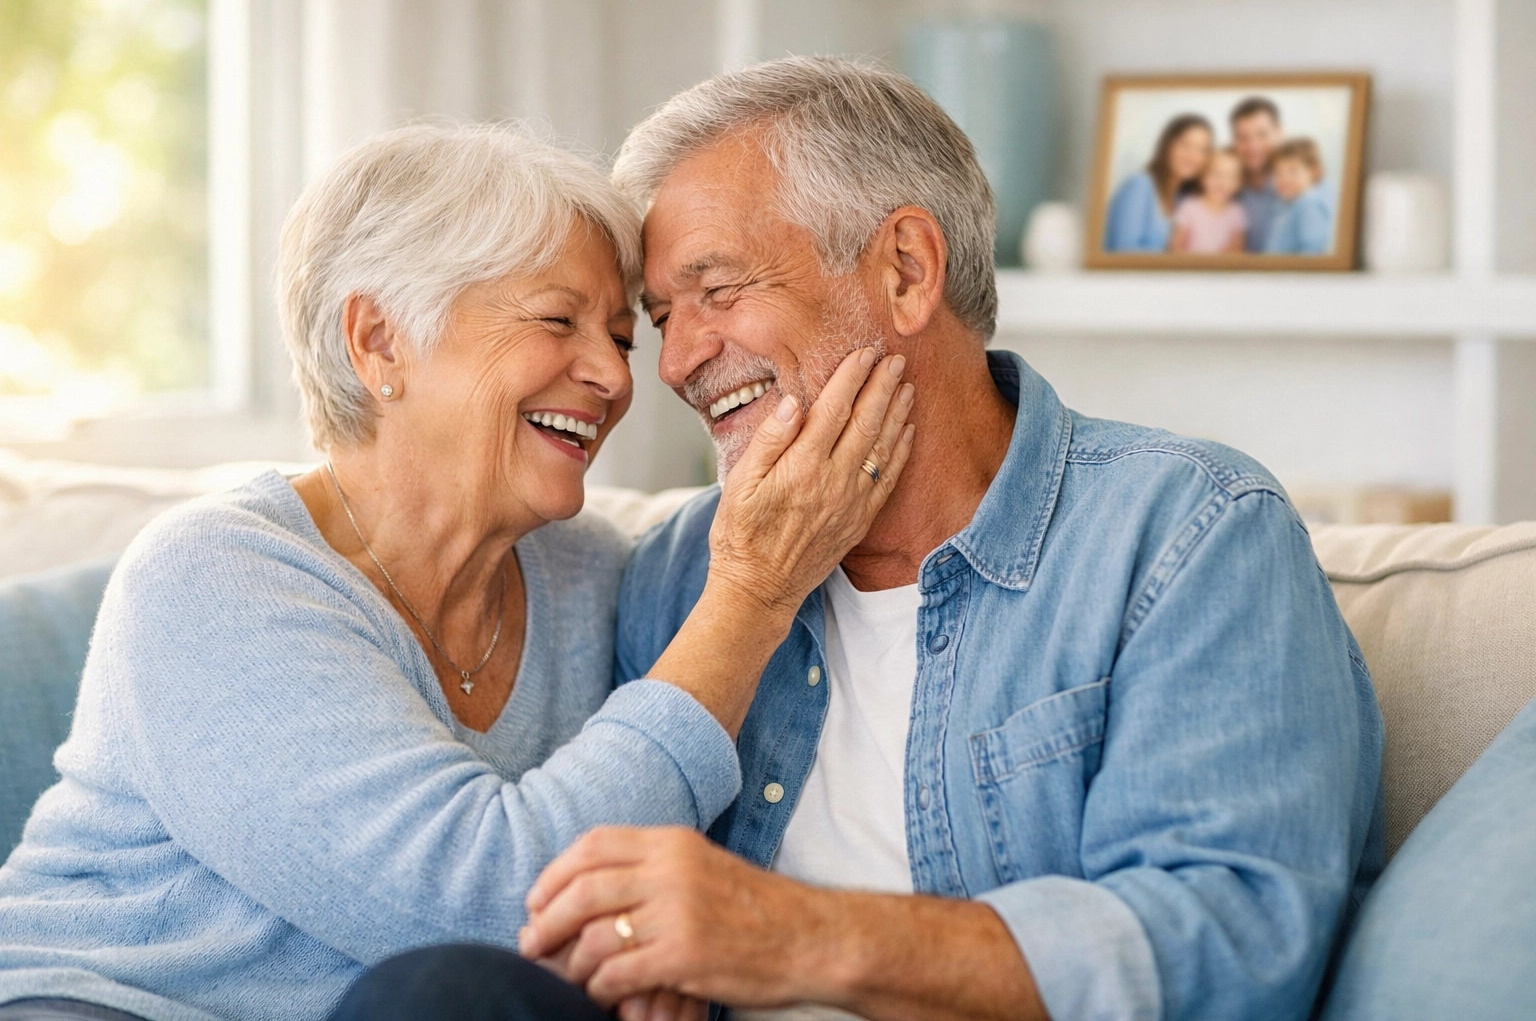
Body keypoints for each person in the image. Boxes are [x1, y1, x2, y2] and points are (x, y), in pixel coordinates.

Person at [346, 58, 1385, 1021]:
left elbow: (1239, 946)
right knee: (440, 992)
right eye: (663, 318)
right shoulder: (681, 575)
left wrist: (792, 936)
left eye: (720, 289)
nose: (673, 365)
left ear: (904, 270)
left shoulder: (1187, 536)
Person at [0, 124, 916, 1021]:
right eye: (558, 320)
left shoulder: (590, 574)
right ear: (379, 343)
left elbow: (621, 853)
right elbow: (483, 906)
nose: (614, 377)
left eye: (623, 337)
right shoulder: (214, 579)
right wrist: (754, 592)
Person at [1101, 113, 1212, 252]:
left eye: (1202, 150)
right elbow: (1123, 253)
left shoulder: (1183, 199)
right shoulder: (1139, 185)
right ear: (1167, 146)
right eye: (1185, 145)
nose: (1193, 156)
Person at [1230, 96, 1285, 252]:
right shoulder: (1225, 186)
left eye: (1262, 135)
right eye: (1242, 138)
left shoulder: (1304, 187)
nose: (1253, 146)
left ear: (1280, 134)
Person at [1171, 147, 1248, 254]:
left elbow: (1237, 250)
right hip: (1189, 267)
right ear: (1203, 177)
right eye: (1216, 174)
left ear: (1238, 183)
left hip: (1221, 268)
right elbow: (1175, 246)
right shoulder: (1189, 207)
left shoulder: (1236, 212)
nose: (1222, 181)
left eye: (1230, 176)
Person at [1265, 137, 1334, 255]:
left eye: (1293, 171)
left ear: (1313, 171)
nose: (1284, 178)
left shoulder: (1310, 206)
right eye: (1278, 172)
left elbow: (1311, 252)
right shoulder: (1284, 206)